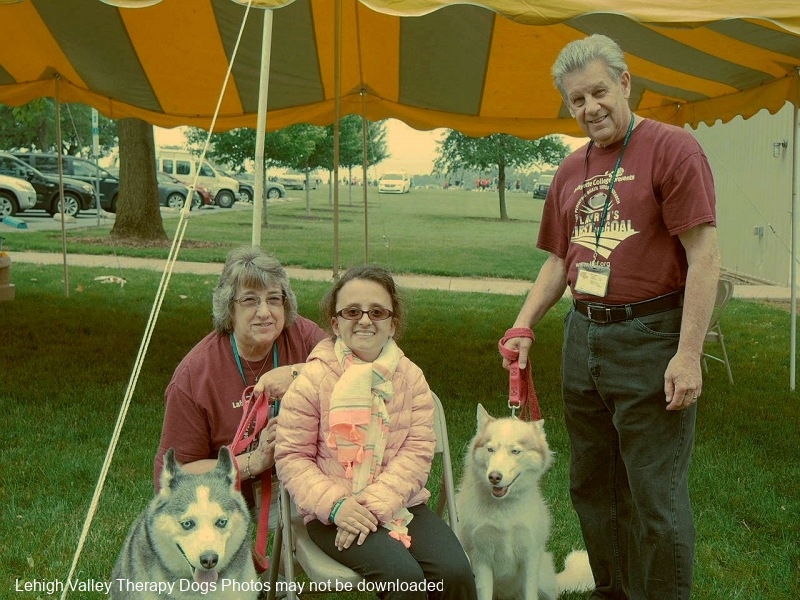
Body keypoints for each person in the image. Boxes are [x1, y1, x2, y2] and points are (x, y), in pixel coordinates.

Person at [501, 34, 720, 600]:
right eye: (576, 99)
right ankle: (613, 590)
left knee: (654, 495)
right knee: (592, 485)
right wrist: (524, 323)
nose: (590, 107)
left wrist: (688, 355)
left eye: (598, 91)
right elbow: (560, 259)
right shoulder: (570, 168)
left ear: (625, 83)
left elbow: (703, 255)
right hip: (584, 337)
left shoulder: (674, 149)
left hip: (651, 335)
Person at [275, 266, 477, 600]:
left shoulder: (410, 378)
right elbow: (292, 458)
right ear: (335, 323)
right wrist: (338, 507)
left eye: (377, 312)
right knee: (404, 579)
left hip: (399, 502)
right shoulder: (313, 379)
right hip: (332, 512)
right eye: (352, 311)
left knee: (455, 573)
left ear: (392, 324)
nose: (365, 321)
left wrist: (373, 506)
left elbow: (417, 452)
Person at [154, 245, 327, 510]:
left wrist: (297, 373)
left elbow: (354, 368)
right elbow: (175, 476)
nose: (265, 312)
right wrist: (253, 462)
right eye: (249, 300)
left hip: (308, 486)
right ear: (229, 308)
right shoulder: (194, 376)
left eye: (274, 299)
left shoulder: (301, 334)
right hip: (227, 503)